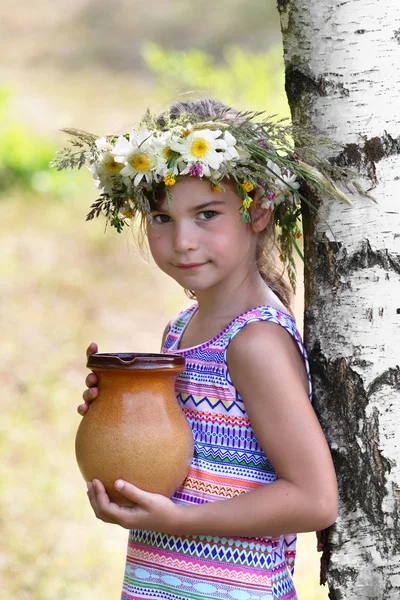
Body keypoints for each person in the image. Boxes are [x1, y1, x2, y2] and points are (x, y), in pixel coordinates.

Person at [73, 99, 338, 600]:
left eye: (207, 214)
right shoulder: (181, 328)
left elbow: (315, 499)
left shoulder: (255, 342)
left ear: (258, 212)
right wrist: (120, 416)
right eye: (162, 218)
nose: (183, 242)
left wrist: (179, 520)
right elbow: (184, 461)